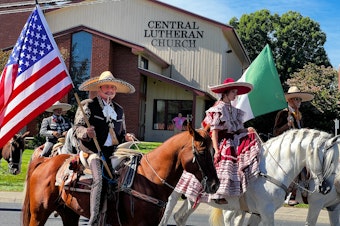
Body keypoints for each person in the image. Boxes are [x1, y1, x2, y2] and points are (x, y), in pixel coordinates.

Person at [174, 78, 260, 205]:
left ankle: (239, 191)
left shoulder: (234, 110)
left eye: (236, 92)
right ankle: (217, 194)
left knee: (247, 145)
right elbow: (214, 131)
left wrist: (248, 129)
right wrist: (217, 150)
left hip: (232, 138)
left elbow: (237, 129)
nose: (235, 95)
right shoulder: (218, 108)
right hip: (220, 140)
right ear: (225, 93)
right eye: (233, 92)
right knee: (226, 156)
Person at [73, 71, 135, 225]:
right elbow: (77, 128)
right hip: (94, 151)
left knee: (132, 175)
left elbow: (122, 133)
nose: (110, 90)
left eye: (113, 88)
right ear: (99, 88)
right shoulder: (88, 105)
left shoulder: (119, 109)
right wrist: (86, 133)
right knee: (99, 180)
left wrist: (126, 137)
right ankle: (94, 220)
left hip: (114, 151)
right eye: (106, 87)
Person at [273, 86, 314, 206]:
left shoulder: (299, 115)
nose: (299, 102)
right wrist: (287, 124)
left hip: (297, 145)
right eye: (297, 99)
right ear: (290, 100)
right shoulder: (283, 113)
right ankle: (291, 194)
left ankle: (305, 190)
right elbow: (276, 132)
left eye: (300, 100)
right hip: (285, 146)